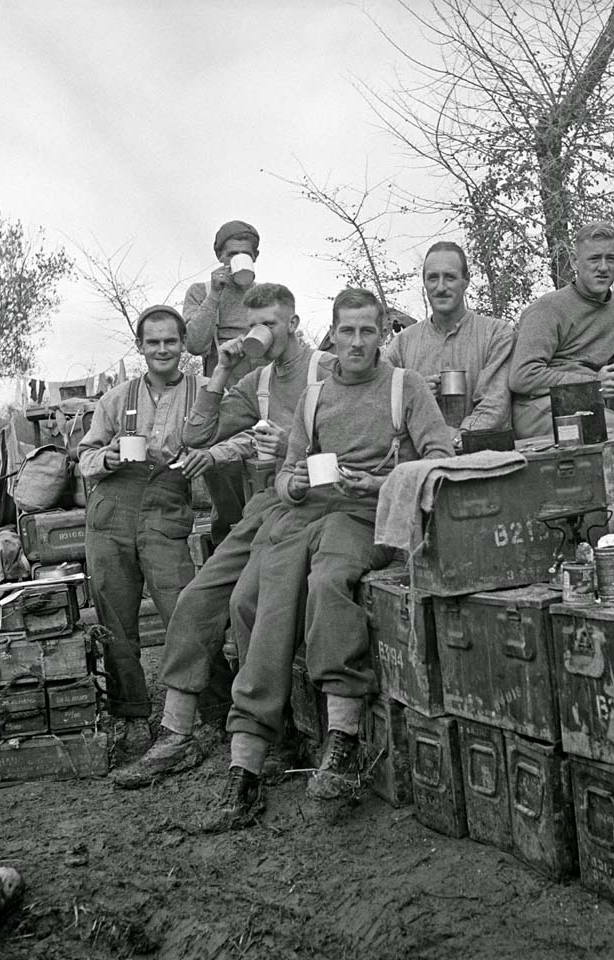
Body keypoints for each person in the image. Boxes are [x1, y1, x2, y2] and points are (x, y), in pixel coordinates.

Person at [200, 288, 455, 832]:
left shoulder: (404, 388)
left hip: (368, 516)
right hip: (306, 515)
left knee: (330, 581)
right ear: (331, 335)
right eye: (347, 332)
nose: (357, 342)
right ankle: (248, 758)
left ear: (382, 332)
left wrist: (383, 482)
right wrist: (291, 483)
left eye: (368, 331)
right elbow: (288, 473)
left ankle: (341, 737)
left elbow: (440, 461)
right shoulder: (316, 396)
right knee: (254, 599)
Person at [112, 283, 334, 789]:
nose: (260, 334)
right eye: (252, 325)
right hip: (267, 504)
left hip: (323, 505)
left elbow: (356, 442)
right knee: (196, 598)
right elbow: (195, 437)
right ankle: (176, 734)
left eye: (271, 325)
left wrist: (291, 451)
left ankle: (278, 735)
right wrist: (219, 373)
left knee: (249, 605)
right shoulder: (255, 381)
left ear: (294, 324)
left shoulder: (328, 368)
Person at [78, 306, 221, 763]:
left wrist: (209, 456)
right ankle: (132, 717)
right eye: (153, 342)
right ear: (140, 347)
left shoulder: (205, 393)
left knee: (187, 609)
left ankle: (218, 712)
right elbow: (83, 458)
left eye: (171, 341)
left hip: (165, 506)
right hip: (112, 509)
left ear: (184, 346)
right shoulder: (117, 399)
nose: (162, 350)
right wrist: (109, 458)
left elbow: (228, 438)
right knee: (116, 620)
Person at [508, 221, 614, 437]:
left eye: (610, 258)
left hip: (588, 403)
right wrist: (592, 385)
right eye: (593, 258)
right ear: (574, 262)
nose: (603, 267)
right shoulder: (547, 309)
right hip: (538, 408)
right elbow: (522, 376)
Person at [183, 219, 265, 543]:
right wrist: (215, 296)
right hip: (222, 398)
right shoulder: (202, 292)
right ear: (220, 256)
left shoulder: (264, 296)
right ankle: (228, 547)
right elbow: (195, 345)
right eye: (232, 254)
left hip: (262, 397)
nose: (238, 260)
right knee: (223, 471)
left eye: (246, 254)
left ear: (255, 257)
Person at [386, 242, 515, 444]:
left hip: (484, 458)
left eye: (450, 277)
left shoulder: (496, 334)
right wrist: (415, 399)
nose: (441, 287)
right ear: (424, 283)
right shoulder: (401, 344)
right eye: (433, 278)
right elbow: (381, 407)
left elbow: (494, 406)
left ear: (466, 281)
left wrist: (455, 439)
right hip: (421, 462)